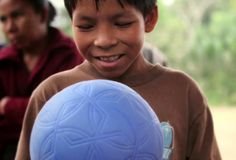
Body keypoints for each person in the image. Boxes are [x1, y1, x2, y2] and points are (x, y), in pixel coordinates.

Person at [15, 0, 222, 159]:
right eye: (86, 26)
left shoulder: (183, 92)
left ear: (149, 18)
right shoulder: (51, 94)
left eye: (122, 23)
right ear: (72, 23)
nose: (104, 40)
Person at [0, 0, 83, 159]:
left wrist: (8, 106)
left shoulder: (70, 55)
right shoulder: (4, 60)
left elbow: (64, 116)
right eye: (3, 19)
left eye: (17, 15)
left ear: (43, 14)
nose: (9, 27)